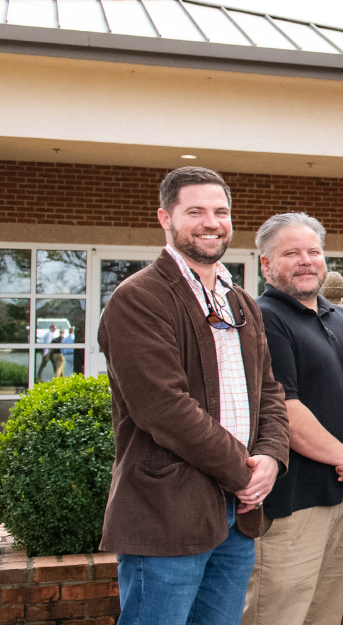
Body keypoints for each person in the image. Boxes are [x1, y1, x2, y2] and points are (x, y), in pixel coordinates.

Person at [98, 166, 290, 625]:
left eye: (221, 211)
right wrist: (242, 474)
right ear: (165, 218)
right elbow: (163, 407)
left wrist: (270, 457)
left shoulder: (239, 301)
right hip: (168, 512)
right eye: (196, 211)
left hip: (239, 517)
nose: (212, 222)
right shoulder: (138, 298)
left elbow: (269, 390)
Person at [244, 213, 343, 625]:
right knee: (275, 615)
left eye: (314, 251)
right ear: (266, 264)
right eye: (291, 253)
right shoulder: (264, 319)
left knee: (324, 616)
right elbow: (284, 408)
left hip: (340, 498)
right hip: (291, 504)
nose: (306, 261)